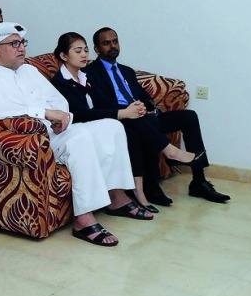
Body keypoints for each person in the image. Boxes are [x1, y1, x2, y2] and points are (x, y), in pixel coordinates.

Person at [0, 23, 140, 247]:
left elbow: (57, 100)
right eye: (14, 44)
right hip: (35, 140)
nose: (22, 48)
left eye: (22, 42)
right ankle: (83, 219)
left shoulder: (29, 71)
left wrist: (61, 118)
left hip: (57, 130)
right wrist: (45, 114)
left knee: (112, 127)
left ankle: (116, 197)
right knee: (80, 139)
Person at [84, 26, 229, 206]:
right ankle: (152, 186)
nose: (113, 46)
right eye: (106, 43)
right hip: (124, 119)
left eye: (115, 41)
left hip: (143, 115)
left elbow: (143, 95)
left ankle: (199, 182)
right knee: (145, 124)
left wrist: (148, 106)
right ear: (97, 49)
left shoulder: (127, 71)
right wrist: (131, 109)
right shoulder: (90, 73)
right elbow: (101, 103)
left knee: (189, 117)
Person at [49, 33, 154, 219]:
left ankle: (118, 195)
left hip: (95, 126)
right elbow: (81, 114)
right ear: (64, 56)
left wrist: (130, 109)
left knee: (119, 126)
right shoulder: (60, 82)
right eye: (78, 51)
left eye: (86, 50)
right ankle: (168, 153)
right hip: (75, 130)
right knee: (123, 123)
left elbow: (103, 104)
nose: (84, 55)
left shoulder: (84, 77)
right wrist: (123, 113)